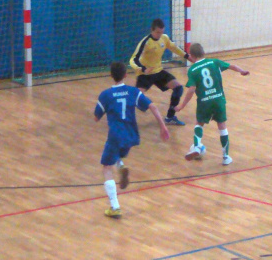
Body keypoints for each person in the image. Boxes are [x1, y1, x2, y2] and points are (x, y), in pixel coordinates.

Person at [94, 62, 170, 218]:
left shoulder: (105, 95)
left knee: (106, 167)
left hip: (115, 135)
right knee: (117, 155)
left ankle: (115, 207)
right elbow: (153, 107)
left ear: (111, 75)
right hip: (131, 135)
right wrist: (163, 127)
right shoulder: (133, 92)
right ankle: (121, 166)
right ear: (125, 75)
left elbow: (96, 117)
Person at [174, 43, 249, 165]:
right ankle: (226, 157)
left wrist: (182, 106)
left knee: (199, 124)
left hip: (204, 102)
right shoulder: (214, 62)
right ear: (203, 52)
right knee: (222, 127)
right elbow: (232, 66)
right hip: (218, 100)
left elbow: (191, 89)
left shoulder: (193, 70)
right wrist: (242, 71)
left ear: (191, 56)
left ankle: (197, 146)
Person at [130, 18, 194, 126]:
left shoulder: (164, 38)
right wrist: (142, 69)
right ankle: (123, 119)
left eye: (161, 32)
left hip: (158, 72)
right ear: (152, 30)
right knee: (133, 97)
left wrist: (187, 56)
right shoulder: (145, 42)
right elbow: (133, 59)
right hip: (145, 74)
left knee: (178, 88)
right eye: (157, 32)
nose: (159, 35)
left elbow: (174, 48)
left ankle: (170, 117)